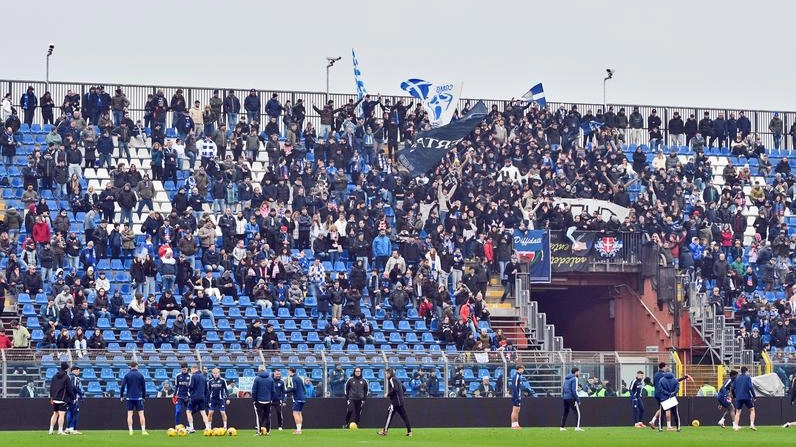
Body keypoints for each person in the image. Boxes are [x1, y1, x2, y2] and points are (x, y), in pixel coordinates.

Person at [378, 367, 412, 437]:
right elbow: (404, 389)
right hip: (401, 402)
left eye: (386, 373)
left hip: (395, 402)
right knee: (405, 417)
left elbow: (395, 389)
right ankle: (410, 432)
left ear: (389, 373)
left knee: (389, 416)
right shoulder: (397, 379)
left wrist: (388, 394)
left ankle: (384, 431)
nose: (386, 375)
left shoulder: (392, 379)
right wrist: (400, 394)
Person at [119, 361, 148, 435]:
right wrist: (143, 397)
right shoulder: (140, 375)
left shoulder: (127, 375)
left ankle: (131, 431)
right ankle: (143, 431)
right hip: (138, 397)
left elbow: (122, 386)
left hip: (129, 397)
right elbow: (144, 388)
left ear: (130, 366)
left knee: (129, 414)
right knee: (141, 414)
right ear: (136, 366)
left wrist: (121, 396)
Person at [49, 362, 74, 435]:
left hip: (55, 398)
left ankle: (51, 430)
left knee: (55, 413)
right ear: (66, 368)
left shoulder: (54, 376)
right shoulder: (66, 377)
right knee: (62, 414)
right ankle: (60, 430)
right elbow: (69, 388)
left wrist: (52, 397)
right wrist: (73, 397)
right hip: (62, 398)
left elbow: (51, 387)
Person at [251, 365, 274, 436]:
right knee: (267, 416)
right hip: (268, 400)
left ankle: (259, 431)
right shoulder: (270, 379)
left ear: (259, 370)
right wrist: (271, 399)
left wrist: (254, 400)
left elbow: (254, 390)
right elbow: (273, 391)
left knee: (259, 416)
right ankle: (268, 432)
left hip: (259, 400)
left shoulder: (257, 378)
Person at [732, 366, 757, 431]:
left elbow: (732, 388)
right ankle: (751, 424)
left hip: (739, 397)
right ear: (746, 371)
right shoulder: (748, 378)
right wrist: (754, 396)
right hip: (746, 396)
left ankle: (736, 426)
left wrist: (734, 396)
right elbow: (750, 387)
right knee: (752, 409)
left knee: (738, 411)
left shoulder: (737, 378)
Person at [187, 364, 210, 433]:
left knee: (188, 411)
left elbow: (191, 386)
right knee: (203, 412)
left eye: (191, 370)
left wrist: (190, 393)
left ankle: (191, 427)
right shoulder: (204, 377)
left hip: (194, 397)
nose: (191, 371)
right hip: (202, 397)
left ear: (194, 369)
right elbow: (207, 389)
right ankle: (207, 427)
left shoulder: (193, 376)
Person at [560, 367, 583, 431]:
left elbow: (563, 388)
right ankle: (577, 427)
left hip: (565, 398)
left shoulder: (566, 379)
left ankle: (562, 427)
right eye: (578, 372)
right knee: (577, 413)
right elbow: (574, 390)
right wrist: (577, 399)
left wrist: (564, 396)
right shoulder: (575, 378)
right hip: (571, 398)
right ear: (576, 372)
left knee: (565, 412)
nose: (579, 373)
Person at [286, 367, 307, 434]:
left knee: (295, 413)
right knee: (299, 413)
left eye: (288, 371)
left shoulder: (294, 378)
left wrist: (287, 391)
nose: (288, 373)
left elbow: (294, 388)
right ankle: (299, 429)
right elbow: (304, 388)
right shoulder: (299, 378)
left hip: (297, 398)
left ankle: (298, 430)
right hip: (302, 397)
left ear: (291, 371)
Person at [65, 366, 84, 435]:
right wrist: (80, 393)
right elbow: (74, 387)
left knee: (69, 412)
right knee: (75, 413)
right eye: (78, 370)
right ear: (74, 371)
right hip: (75, 398)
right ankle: (72, 428)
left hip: (69, 398)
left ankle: (67, 428)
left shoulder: (68, 377)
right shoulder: (75, 378)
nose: (79, 372)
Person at [173, 363, 191, 428]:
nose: (184, 370)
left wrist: (190, 396)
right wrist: (174, 395)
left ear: (187, 368)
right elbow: (176, 386)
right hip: (180, 396)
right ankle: (176, 426)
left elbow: (192, 387)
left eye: (185, 369)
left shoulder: (190, 376)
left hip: (188, 397)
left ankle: (188, 426)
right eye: (183, 369)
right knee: (178, 411)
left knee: (188, 412)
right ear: (181, 369)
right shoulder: (178, 376)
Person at [509, 365, 524, 429]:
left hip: (519, 395)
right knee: (515, 410)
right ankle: (513, 424)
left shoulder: (519, 376)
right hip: (516, 395)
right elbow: (514, 386)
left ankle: (516, 424)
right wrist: (516, 395)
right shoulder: (516, 376)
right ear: (519, 369)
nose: (523, 370)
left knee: (517, 410)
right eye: (522, 369)